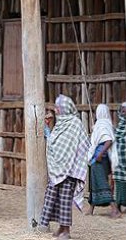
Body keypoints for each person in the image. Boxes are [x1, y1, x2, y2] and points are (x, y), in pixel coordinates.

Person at [39, 95, 89, 240]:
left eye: (58, 107)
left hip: (70, 169)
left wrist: (72, 160)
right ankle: (61, 227)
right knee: (55, 198)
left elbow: (83, 144)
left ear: (65, 108)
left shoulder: (75, 123)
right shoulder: (60, 123)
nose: (56, 109)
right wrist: (48, 126)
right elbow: (53, 142)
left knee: (65, 199)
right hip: (58, 168)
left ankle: (66, 231)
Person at [87, 104, 120, 218]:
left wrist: (100, 154)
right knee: (94, 183)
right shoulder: (105, 124)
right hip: (100, 158)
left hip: (99, 158)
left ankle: (114, 209)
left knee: (101, 183)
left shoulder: (102, 125)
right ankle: (91, 209)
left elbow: (108, 140)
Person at [111, 102, 126, 213]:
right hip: (119, 156)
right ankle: (118, 204)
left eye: (125, 109)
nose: (123, 111)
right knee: (118, 180)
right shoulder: (120, 123)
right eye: (122, 109)